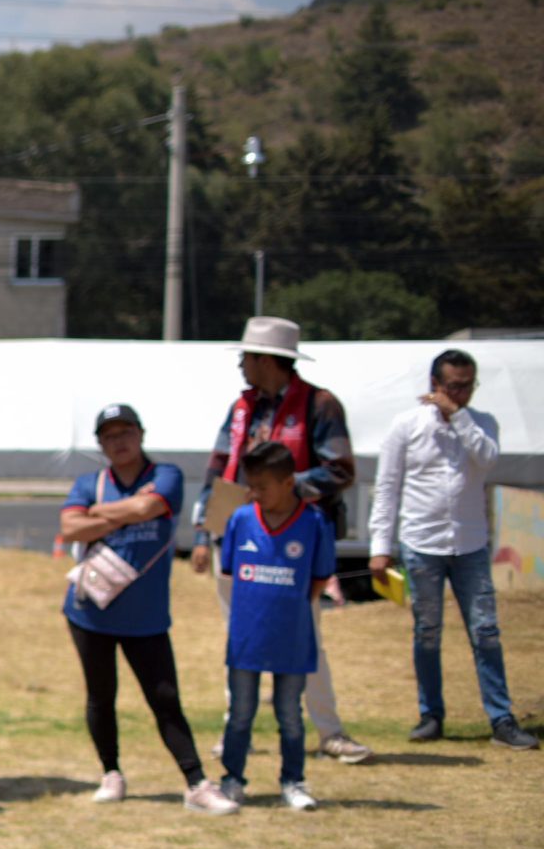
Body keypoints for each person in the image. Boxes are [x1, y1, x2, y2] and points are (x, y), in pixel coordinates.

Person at [190, 315, 371, 763]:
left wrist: (281, 487)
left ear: (267, 360)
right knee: (240, 632)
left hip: (295, 537)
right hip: (238, 530)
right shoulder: (241, 407)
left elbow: (341, 471)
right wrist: (202, 526)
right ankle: (239, 730)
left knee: (303, 632)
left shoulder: (319, 405)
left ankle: (329, 731)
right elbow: (218, 466)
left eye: (246, 358)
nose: (241, 368)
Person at [59, 403, 240, 813]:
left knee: (164, 698)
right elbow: (69, 526)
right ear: (100, 445)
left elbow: (149, 507)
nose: (118, 442)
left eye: (125, 433)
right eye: (109, 436)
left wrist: (99, 515)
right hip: (90, 610)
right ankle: (111, 772)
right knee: (100, 696)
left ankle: (195, 782)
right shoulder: (91, 481)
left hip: (146, 617)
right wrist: (122, 513)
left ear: (141, 434)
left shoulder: (166, 476)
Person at [370, 349, 535, 749]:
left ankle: (501, 718)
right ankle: (431, 715)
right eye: (454, 386)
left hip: (470, 544)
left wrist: (458, 416)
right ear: (434, 385)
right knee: (427, 631)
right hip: (421, 543)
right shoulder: (406, 425)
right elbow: (387, 487)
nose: (461, 394)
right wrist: (380, 545)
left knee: (486, 631)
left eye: (468, 386)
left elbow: (487, 460)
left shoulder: (481, 424)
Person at [217, 441, 336, 810]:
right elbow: (229, 571)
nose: (254, 493)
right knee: (240, 714)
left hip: (293, 638)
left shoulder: (315, 523)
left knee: (290, 715)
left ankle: (293, 782)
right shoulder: (240, 520)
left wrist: (291, 607)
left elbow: (318, 579)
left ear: (288, 483)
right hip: (246, 638)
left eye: (262, 486)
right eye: (250, 485)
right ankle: (232, 779)